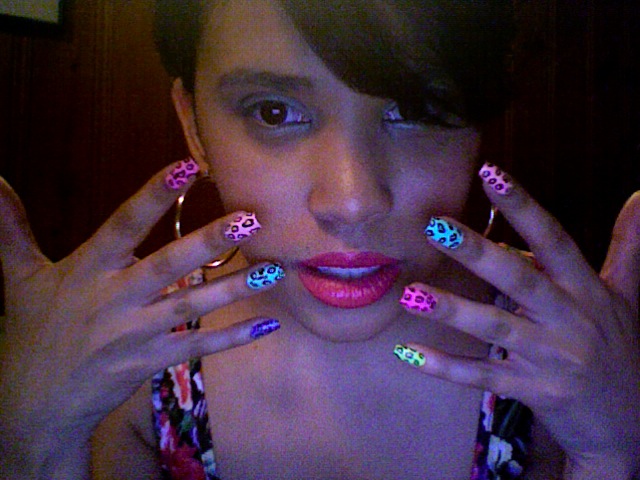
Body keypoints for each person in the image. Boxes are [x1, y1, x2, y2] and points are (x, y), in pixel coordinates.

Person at [1, 0, 639, 478]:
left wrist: (614, 454)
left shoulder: (565, 355)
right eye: (274, 112)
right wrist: (32, 447)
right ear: (193, 126)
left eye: (416, 108)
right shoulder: (126, 358)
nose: (353, 202)